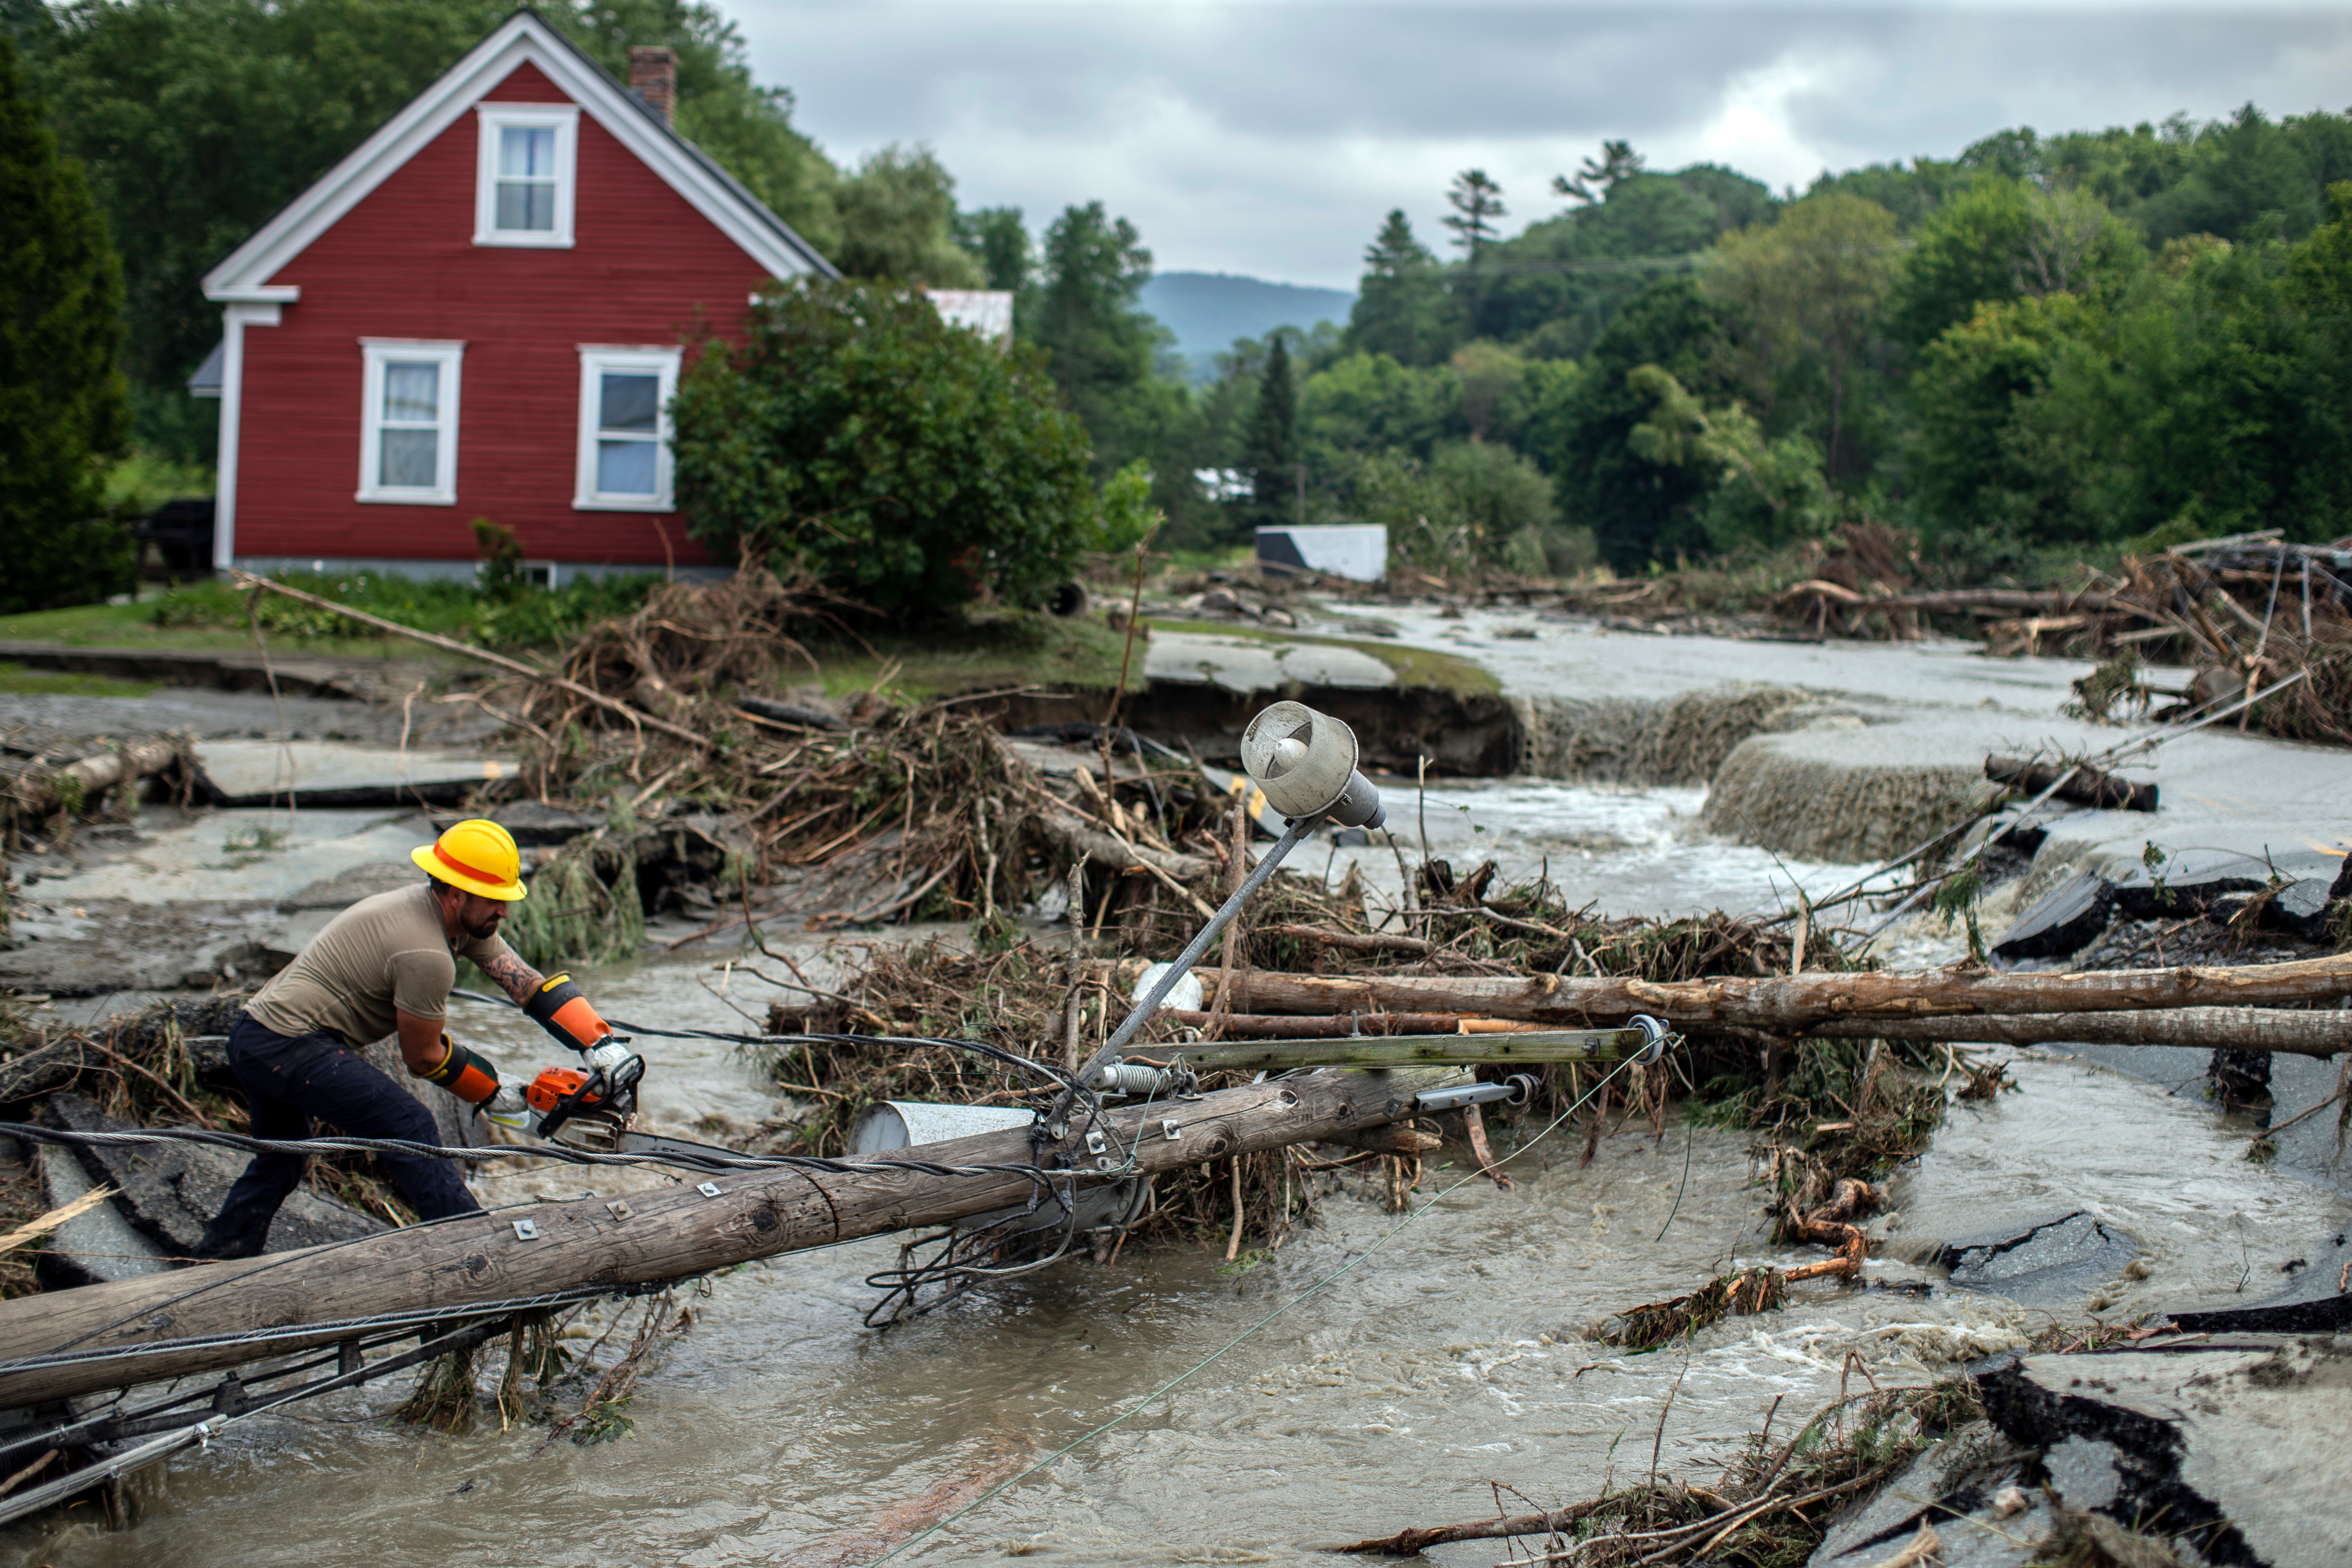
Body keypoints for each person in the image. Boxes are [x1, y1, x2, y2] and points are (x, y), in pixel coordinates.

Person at [194, 818, 619, 1260]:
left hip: (259, 1036)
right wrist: (497, 1091)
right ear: (458, 893)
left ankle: (214, 1262)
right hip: (287, 1044)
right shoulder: (427, 954)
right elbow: (421, 1055)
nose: (505, 912)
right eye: (495, 901)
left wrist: (599, 1041)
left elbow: (524, 982)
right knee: (409, 1126)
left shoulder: (448, 915)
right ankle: (475, 1258)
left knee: (281, 1159)